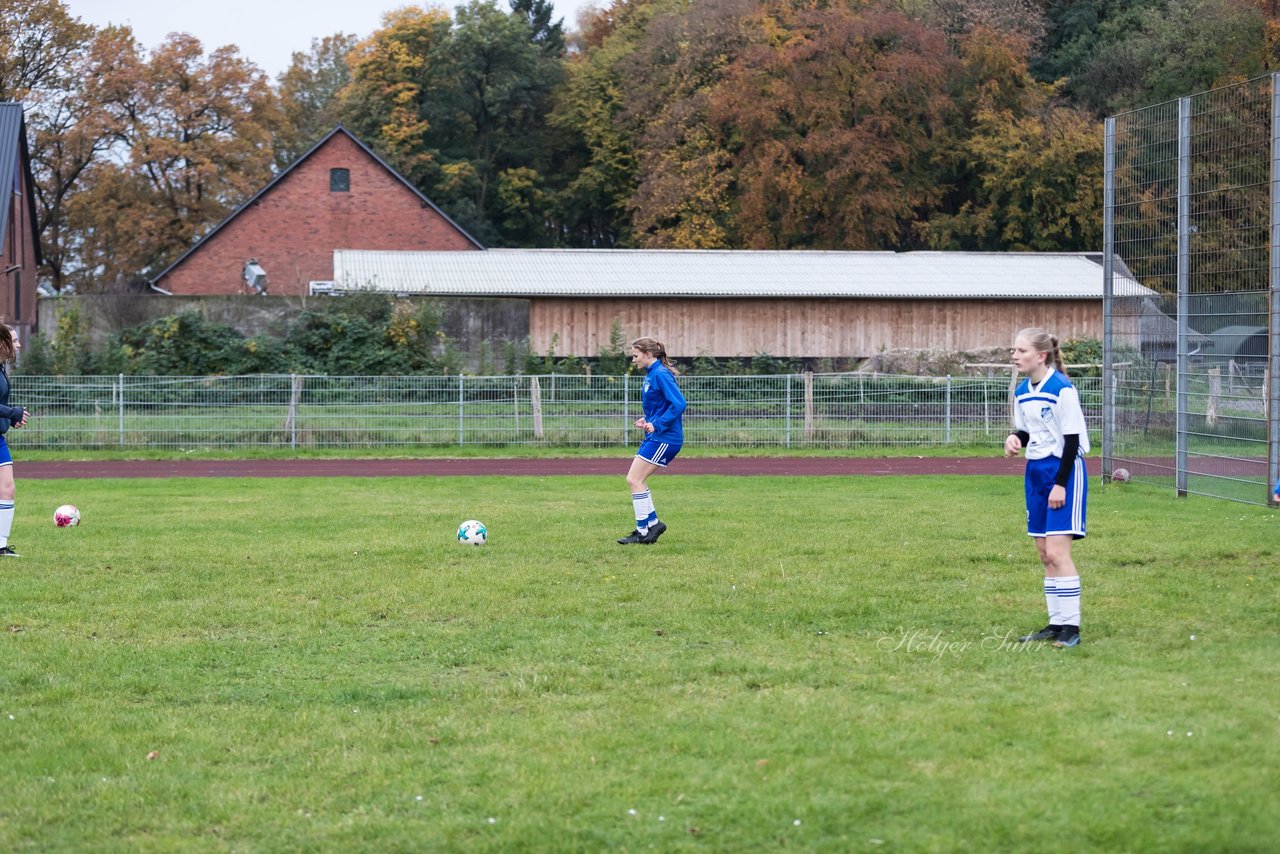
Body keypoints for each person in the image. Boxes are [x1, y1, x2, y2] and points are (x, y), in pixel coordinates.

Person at [1003, 328, 1089, 648]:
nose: (1015, 356)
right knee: (1043, 553)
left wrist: (1060, 485)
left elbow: (1072, 441)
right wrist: (1016, 439)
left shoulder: (1061, 389)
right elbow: (1027, 431)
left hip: (1063, 471)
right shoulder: (1023, 391)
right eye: (1013, 350)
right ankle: (1055, 625)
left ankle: (1072, 629)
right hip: (1035, 471)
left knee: (1057, 552)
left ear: (1041, 356)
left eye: (1021, 351)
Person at [617, 337, 686, 545]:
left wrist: (657, 424)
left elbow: (679, 404)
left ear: (648, 354)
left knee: (634, 480)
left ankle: (643, 530)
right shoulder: (652, 374)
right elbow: (662, 406)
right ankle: (652, 524)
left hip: (665, 438)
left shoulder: (660, 374)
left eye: (635, 355)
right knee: (636, 480)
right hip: (657, 435)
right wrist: (649, 419)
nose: (633, 360)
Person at [0, 326, 29, 557]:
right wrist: (12, 413)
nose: (18, 345)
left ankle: (0, 546)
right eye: (15, 340)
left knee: (7, 488)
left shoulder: (1, 367)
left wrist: (10, 420)